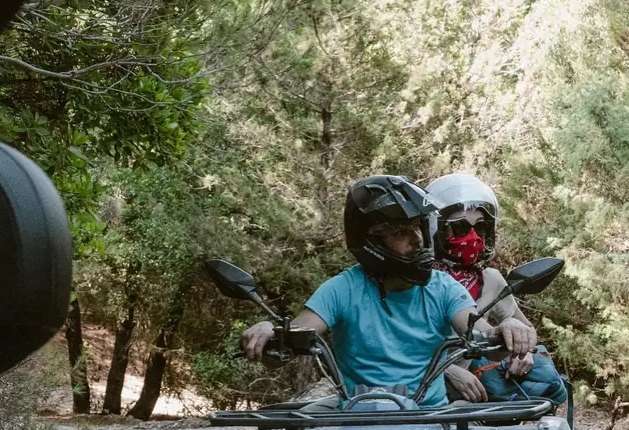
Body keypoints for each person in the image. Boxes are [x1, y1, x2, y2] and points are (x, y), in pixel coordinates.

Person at [241, 174, 536, 407]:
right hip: (358, 420)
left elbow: (478, 331)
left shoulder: (443, 287)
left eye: (418, 227)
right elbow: (288, 345)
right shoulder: (342, 289)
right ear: (371, 242)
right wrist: (270, 334)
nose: (417, 239)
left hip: (431, 421)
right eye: (400, 232)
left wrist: (507, 329)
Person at [425, 173, 564, 405]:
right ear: (435, 229)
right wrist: (446, 370)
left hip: (466, 397)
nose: (472, 237)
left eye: (480, 227)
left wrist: (522, 349)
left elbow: (525, 329)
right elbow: (395, 346)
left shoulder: (490, 280)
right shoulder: (419, 281)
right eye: (460, 227)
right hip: (417, 392)